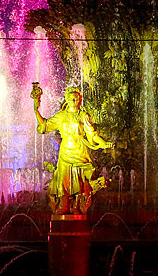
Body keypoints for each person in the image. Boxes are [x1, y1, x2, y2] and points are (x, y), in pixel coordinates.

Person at [32, 85, 112, 215]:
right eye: (72, 99)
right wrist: (36, 110)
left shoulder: (84, 116)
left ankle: (78, 204)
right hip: (66, 151)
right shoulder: (61, 116)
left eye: (77, 99)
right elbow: (45, 125)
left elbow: (92, 134)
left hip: (80, 150)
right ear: (67, 100)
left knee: (81, 179)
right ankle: (64, 203)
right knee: (64, 178)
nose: (75, 102)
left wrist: (103, 143)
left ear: (80, 100)